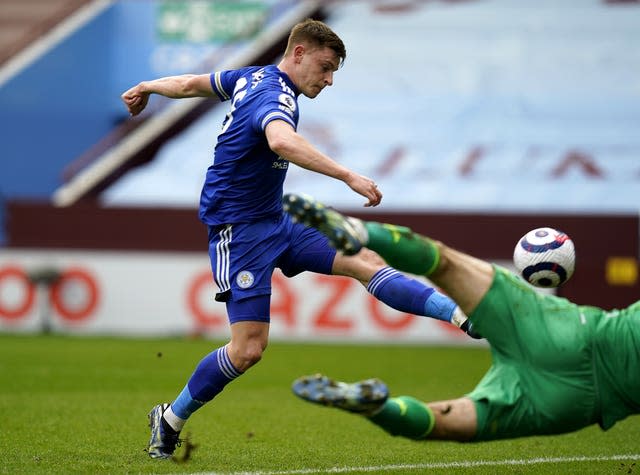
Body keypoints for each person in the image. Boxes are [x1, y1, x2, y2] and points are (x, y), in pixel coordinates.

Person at [121, 19, 478, 459]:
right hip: (240, 231)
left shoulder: (250, 76)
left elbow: (193, 82)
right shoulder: (275, 96)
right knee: (249, 349)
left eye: (334, 73)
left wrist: (148, 86)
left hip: (277, 218)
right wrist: (348, 175)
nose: (328, 80)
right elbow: (281, 141)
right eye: (325, 68)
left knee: (363, 260)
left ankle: (462, 316)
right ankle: (171, 418)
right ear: (299, 53)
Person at [285, 192, 640, 442]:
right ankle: (378, 409)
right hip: (592, 392)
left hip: (573, 363)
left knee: (444, 263)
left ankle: (378, 409)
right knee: (449, 422)